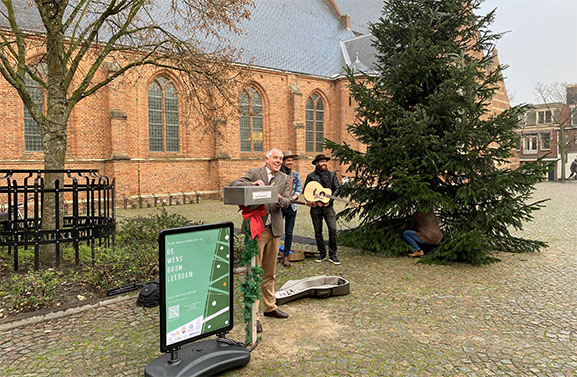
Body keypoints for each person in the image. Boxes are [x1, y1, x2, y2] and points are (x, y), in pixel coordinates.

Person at [229, 148, 291, 333]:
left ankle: (270, 307)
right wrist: (252, 184)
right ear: (267, 159)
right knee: (254, 271)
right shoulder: (256, 173)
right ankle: (253, 315)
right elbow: (234, 185)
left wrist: (279, 197)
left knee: (269, 272)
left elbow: (288, 202)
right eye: (275, 158)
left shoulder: (284, 178)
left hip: (275, 230)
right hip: (257, 228)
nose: (278, 161)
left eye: (280, 158)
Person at [304, 153, 341, 265]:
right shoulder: (311, 176)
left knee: (333, 230)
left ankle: (332, 255)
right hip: (316, 209)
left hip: (328, 208)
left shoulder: (331, 175)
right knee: (318, 232)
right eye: (321, 161)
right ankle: (322, 253)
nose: (324, 163)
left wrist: (329, 200)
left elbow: (337, 188)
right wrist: (313, 201)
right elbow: (306, 192)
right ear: (316, 163)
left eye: (325, 161)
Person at [280, 151, 302, 268]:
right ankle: (273, 254)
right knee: (276, 231)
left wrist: (293, 197)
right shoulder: (277, 174)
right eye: (288, 160)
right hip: (279, 206)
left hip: (292, 207)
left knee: (289, 232)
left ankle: (286, 256)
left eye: (291, 160)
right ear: (283, 162)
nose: (290, 162)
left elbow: (299, 189)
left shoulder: (295, 174)